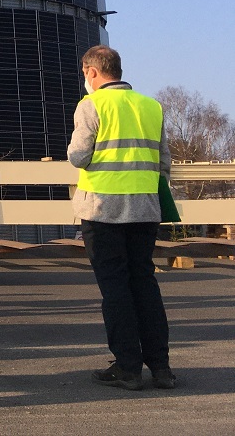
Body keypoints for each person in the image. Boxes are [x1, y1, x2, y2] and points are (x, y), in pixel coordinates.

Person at [69, 45, 175, 391]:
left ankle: (128, 367)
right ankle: (161, 367)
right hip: (145, 210)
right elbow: (164, 163)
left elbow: (79, 156)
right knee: (144, 283)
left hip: (102, 210)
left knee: (115, 289)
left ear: (92, 71)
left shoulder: (91, 105)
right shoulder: (151, 106)